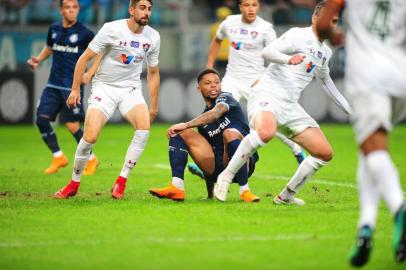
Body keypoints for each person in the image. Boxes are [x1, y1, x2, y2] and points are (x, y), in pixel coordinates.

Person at [213, 1, 352, 204]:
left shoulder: (326, 52)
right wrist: (288, 60)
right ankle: (225, 177)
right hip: (267, 93)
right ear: (315, 18)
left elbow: (327, 82)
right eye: (327, 19)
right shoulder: (298, 35)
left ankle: (286, 196)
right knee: (266, 133)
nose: (331, 24)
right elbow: (267, 52)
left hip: (291, 105)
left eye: (335, 21)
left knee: (324, 153)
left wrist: (351, 111)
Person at [317, 0, 406, 266]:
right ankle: (365, 228)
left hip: (368, 77)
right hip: (399, 76)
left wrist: (338, 36)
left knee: (374, 151)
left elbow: (323, 24)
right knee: (367, 151)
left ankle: (400, 208)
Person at [54, 0, 160, 199]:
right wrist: (75, 89)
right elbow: (84, 58)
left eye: (149, 9)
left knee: (143, 128)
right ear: (131, 9)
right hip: (105, 87)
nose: (146, 13)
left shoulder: (153, 37)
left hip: (130, 89)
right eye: (142, 8)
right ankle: (73, 184)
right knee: (90, 136)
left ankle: (121, 182)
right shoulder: (111, 29)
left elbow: (153, 73)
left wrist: (154, 106)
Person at [149, 68, 260, 202]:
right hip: (218, 168)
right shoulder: (203, 121)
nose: (213, 85)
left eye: (216, 82)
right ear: (198, 89)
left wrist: (185, 124)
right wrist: (210, 195)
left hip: (244, 164)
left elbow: (215, 113)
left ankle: (245, 191)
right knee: (179, 133)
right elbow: (207, 152)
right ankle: (177, 187)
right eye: (207, 83)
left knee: (229, 134)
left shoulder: (226, 98)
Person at [27, 0, 99, 175]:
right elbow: (51, 48)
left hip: (71, 87)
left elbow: (99, 54)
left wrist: (90, 73)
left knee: (72, 125)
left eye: (75, 7)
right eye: (68, 7)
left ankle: (92, 159)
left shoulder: (85, 33)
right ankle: (58, 156)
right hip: (52, 84)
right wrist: (38, 59)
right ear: (61, 10)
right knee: (41, 120)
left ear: (78, 9)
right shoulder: (54, 29)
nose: (72, 10)